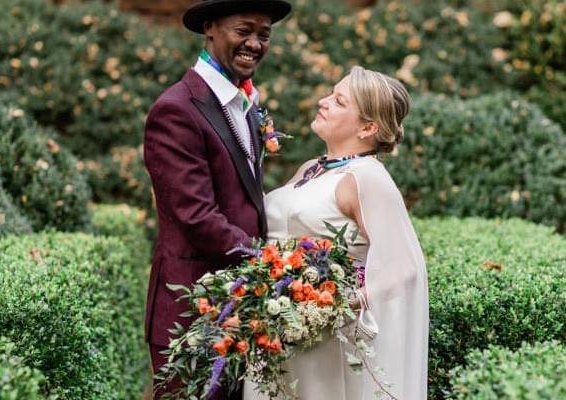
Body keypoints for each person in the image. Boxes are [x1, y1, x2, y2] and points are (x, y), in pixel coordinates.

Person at [244, 66, 429, 399]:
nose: (323, 101)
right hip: (277, 327)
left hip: (322, 338)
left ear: (368, 127)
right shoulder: (312, 169)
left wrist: (336, 304)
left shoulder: (366, 179)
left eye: (339, 101)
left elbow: (404, 267)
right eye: (331, 94)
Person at [143, 0, 292, 398]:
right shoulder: (175, 110)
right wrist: (270, 262)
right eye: (243, 30)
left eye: (264, 34)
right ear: (209, 28)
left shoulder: (244, 106)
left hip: (240, 311)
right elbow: (196, 216)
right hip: (192, 311)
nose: (255, 44)